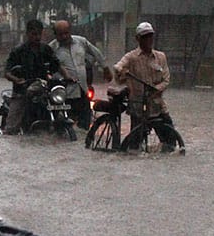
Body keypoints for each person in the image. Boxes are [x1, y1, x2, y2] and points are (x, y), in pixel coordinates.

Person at [112, 21, 180, 151]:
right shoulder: (131, 57)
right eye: (145, 37)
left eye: (150, 36)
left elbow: (166, 80)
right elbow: (119, 67)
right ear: (138, 39)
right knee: (135, 147)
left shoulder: (161, 57)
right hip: (139, 108)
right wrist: (120, 70)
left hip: (158, 105)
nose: (148, 40)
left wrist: (155, 90)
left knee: (171, 143)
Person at [3, 19, 66, 134]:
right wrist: (17, 80)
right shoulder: (18, 51)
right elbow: (6, 72)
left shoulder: (46, 49)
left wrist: (67, 76)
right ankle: (9, 132)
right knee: (11, 129)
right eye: (34, 34)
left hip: (42, 89)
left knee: (59, 109)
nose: (37, 37)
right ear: (27, 34)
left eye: (39, 34)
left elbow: (57, 65)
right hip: (22, 91)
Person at [48, 20, 111, 130]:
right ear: (55, 35)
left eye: (66, 33)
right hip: (63, 93)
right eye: (60, 34)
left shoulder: (81, 41)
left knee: (85, 125)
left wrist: (105, 68)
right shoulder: (51, 49)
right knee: (63, 126)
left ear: (70, 31)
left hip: (82, 89)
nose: (64, 36)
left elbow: (96, 53)